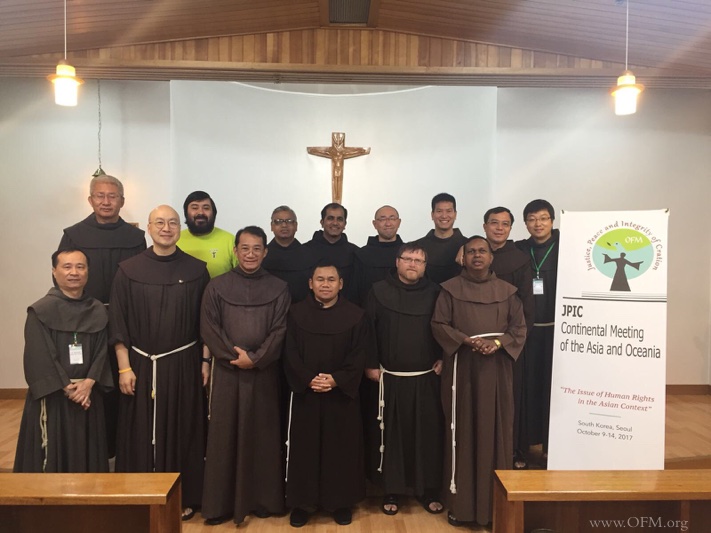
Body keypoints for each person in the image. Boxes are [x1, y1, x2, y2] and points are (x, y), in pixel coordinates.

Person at [109, 205, 210, 521]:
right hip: (139, 364)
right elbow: (118, 321)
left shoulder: (197, 270)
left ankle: (182, 496)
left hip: (183, 363)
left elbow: (206, 321)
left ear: (180, 228)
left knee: (182, 428)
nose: (167, 228)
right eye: (160, 223)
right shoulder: (128, 270)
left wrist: (205, 361)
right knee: (138, 430)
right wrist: (124, 367)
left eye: (173, 223)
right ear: (149, 228)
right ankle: (136, 495)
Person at [432, 236, 526, 528]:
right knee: (462, 431)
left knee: (495, 430)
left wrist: (497, 343)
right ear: (463, 257)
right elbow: (439, 324)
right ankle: (461, 505)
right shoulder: (449, 289)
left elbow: (518, 328)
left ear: (491, 257)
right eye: (471, 251)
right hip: (462, 368)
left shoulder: (508, 292)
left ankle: (493, 507)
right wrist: (466, 341)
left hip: (496, 370)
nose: (476, 255)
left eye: (482, 251)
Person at [200, 226, 290, 526]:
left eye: (257, 248)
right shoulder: (216, 287)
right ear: (236, 251)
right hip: (227, 373)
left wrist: (256, 358)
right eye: (245, 248)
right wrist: (234, 357)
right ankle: (221, 503)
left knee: (262, 435)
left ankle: (263, 499)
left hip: (263, 373)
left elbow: (280, 329)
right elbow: (209, 327)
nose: (250, 254)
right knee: (224, 436)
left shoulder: (279, 287)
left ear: (265, 252)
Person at [58, 174, 146, 459]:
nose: (106, 201)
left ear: (122, 201)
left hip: (126, 322)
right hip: (84, 322)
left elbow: (142, 279)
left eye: (112, 196)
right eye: (100, 195)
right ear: (90, 200)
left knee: (123, 383)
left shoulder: (136, 238)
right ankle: (90, 451)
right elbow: (64, 276)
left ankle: (122, 449)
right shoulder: (74, 235)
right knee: (90, 382)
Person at [284, 263, 370, 527]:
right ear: (310, 283)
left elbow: (359, 354)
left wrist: (336, 379)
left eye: (331, 279)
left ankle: (340, 502)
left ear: (340, 284)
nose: (325, 284)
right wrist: (307, 378)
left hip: (340, 395)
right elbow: (289, 352)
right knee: (305, 448)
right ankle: (302, 503)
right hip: (306, 394)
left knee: (340, 449)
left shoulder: (356, 315)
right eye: (320, 279)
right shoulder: (295, 313)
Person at [14, 249, 112, 473]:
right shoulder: (40, 310)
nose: (74, 272)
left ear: (88, 272)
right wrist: (68, 388)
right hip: (55, 397)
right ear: (54, 271)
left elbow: (102, 352)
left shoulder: (97, 309)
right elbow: (40, 356)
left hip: (88, 395)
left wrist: (88, 383)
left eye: (80, 267)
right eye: (67, 267)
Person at [364, 243, 444, 516]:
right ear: (397, 261)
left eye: (418, 261)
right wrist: (370, 363)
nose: (412, 264)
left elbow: (445, 328)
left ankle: (427, 490)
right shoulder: (378, 291)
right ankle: (392, 489)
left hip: (425, 379)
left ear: (425, 266)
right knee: (391, 436)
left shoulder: (436, 293)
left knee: (426, 436)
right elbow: (368, 329)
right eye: (408, 259)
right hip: (390, 379)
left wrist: (443, 358)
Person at [482, 206, 535, 469]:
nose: (499, 228)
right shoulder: (474, 254)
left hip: (510, 343)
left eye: (505, 224)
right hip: (478, 341)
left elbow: (527, 304)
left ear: (511, 228)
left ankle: (513, 449)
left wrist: (512, 340)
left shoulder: (520, 260)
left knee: (511, 397)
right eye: (494, 223)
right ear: (485, 227)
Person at [515, 199, 559, 468]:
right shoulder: (520, 249)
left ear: (552, 220)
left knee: (554, 389)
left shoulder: (567, 245)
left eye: (543, 218)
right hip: (529, 333)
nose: (538, 224)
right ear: (525, 223)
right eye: (532, 219)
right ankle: (525, 444)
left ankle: (553, 445)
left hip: (559, 332)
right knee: (527, 388)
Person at [303, 203, 360, 302]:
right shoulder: (304, 251)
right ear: (322, 222)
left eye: (340, 219)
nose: (335, 223)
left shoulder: (355, 253)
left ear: (345, 224)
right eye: (330, 218)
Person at [178, 190, 237, 278]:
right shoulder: (175, 239)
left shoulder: (230, 240)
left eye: (206, 208)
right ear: (186, 213)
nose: (200, 212)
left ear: (214, 213)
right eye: (194, 208)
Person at [353, 205, 404, 305]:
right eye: (382, 219)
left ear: (399, 222)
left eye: (392, 218)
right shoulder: (362, 255)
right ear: (375, 224)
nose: (388, 223)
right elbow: (354, 291)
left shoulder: (408, 254)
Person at [262, 205, 312, 302]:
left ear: (296, 226)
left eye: (289, 221)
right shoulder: (263, 255)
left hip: (302, 308)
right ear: (271, 226)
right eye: (278, 221)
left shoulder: (308, 254)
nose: (284, 225)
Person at [415, 193, 468, 284]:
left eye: (449, 211)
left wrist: (467, 247)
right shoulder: (416, 247)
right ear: (432, 215)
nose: (444, 216)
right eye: (439, 211)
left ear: (455, 214)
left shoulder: (468, 246)